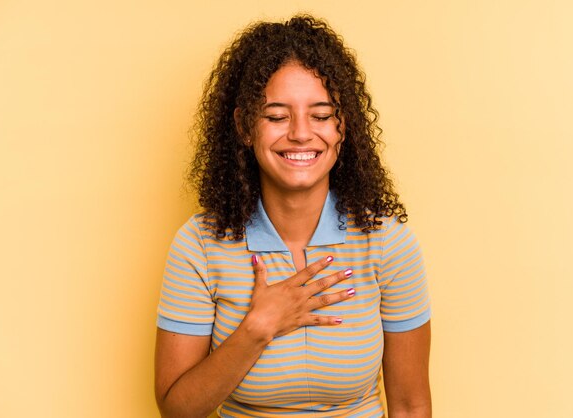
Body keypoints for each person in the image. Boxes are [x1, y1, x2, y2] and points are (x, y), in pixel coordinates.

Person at [155, 14, 431, 418]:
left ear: (343, 127)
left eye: (320, 115)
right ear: (245, 127)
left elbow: (410, 405)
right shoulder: (198, 245)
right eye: (276, 116)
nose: (301, 133)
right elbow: (177, 410)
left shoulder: (387, 241)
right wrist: (257, 328)